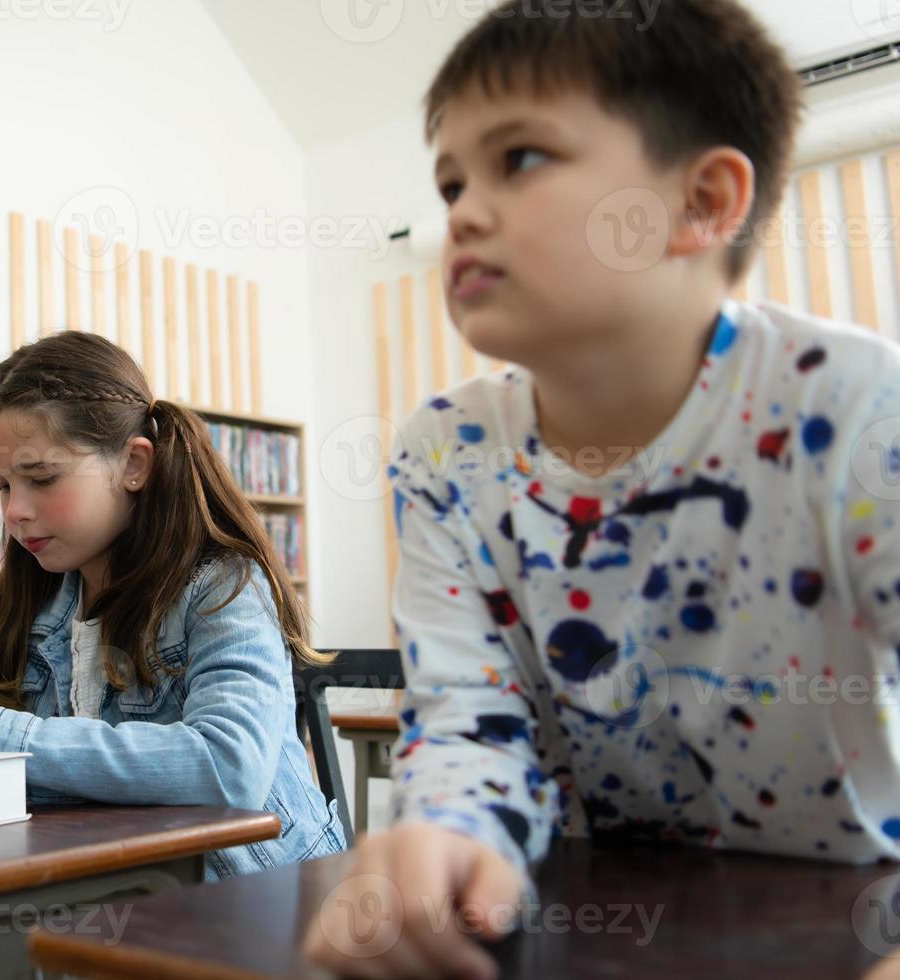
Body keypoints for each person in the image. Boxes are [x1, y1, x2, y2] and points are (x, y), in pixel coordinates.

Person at [306, 1, 900, 976]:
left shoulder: (849, 403)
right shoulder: (443, 451)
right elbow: (467, 717)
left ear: (703, 200)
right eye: (450, 179)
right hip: (600, 928)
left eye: (521, 159)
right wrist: (446, 838)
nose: (460, 209)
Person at [0, 330, 346, 878]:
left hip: (264, 900)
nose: (14, 511)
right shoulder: (32, 604)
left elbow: (229, 769)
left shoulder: (224, 585)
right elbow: (11, 768)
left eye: (41, 477)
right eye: (2, 486)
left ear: (134, 464)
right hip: (117, 893)